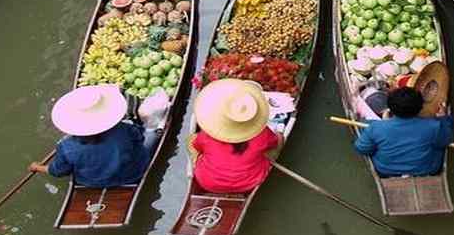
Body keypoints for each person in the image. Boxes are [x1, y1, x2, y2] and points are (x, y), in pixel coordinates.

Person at [29, 84, 162, 187]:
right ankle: (160, 128)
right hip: (133, 173)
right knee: (151, 132)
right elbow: (140, 138)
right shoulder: (124, 129)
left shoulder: (65, 147)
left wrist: (38, 167)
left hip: (91, 182)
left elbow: (58, 171)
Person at [188, 79, 284, 193]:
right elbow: (275, 142)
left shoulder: (207, 135)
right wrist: (279, 136)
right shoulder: (262, 134)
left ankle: (194, 166)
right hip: (250, 183)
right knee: (279, 138)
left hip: (208, 182)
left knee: (192, 140)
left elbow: (196, 146)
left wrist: (197, 158)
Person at [354, 87, 452, 178]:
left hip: (385, 170)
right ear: (421, 107)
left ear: (390, 108)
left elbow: (361, 148)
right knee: (438, 144)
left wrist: (384, 124)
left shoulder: (376, 127)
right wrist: (443, 119)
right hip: (426, 169)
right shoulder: (434, 126)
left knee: (367, 131)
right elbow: (445, 140)